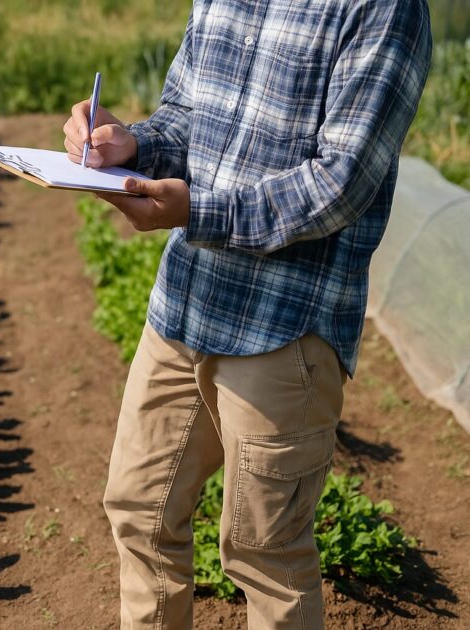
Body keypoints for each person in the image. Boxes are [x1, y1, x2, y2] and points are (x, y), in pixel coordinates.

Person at [62, 1, 432, 628]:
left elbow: (341, 181)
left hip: (284, 322)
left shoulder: (383, 9)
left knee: (266, 556)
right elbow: (186, 116)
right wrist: (133, 144)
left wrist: (198, 212)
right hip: (187, 300)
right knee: (138, 508)